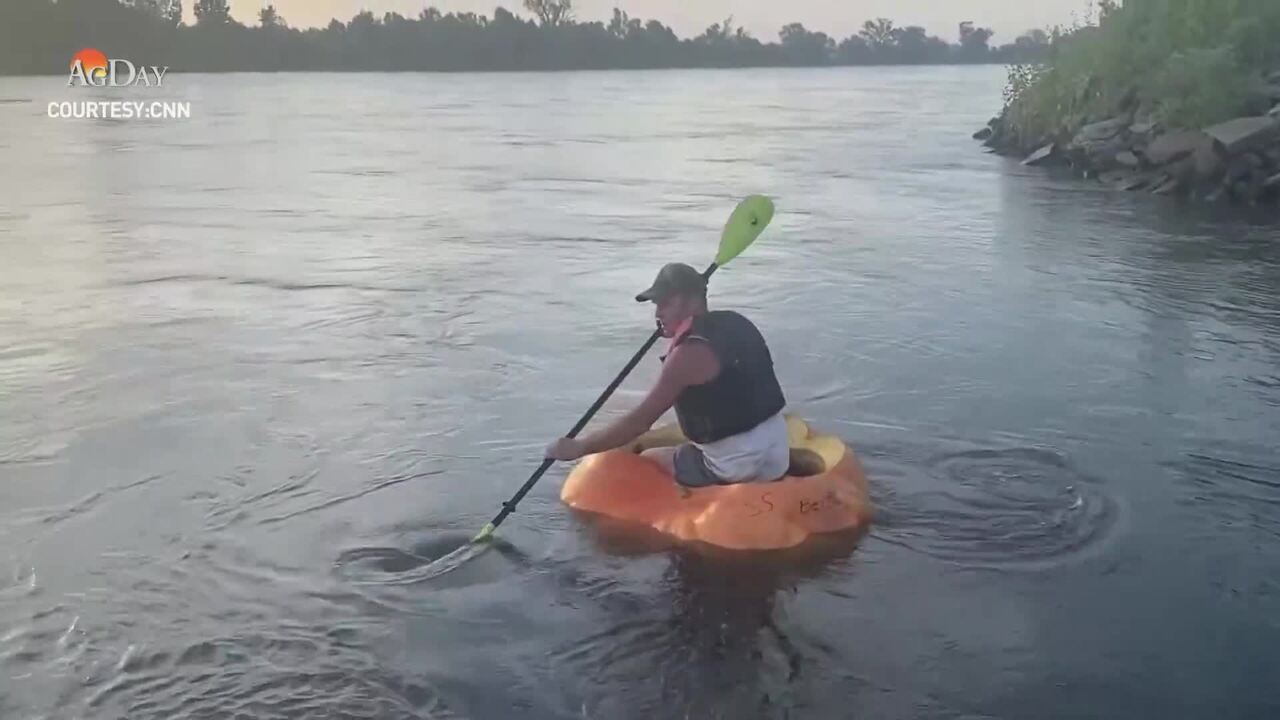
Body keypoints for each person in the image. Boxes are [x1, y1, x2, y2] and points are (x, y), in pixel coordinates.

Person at [545, 262, 791, 487]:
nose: (657, 314)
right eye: (656, 305)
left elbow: (639, 422)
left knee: (649, 459)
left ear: (691, 301)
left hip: (735, 467)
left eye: (665, 303)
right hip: (778, 454)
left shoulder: (686, 356)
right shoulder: (738, 322)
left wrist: (578, 447)